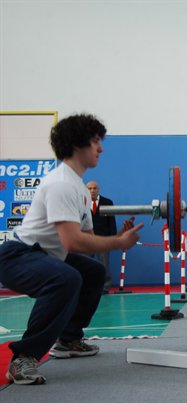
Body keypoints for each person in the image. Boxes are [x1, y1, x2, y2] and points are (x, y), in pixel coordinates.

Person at [0, 114, 143, 385]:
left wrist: (116, 236)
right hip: (17, 257)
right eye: (95, 141)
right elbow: (73, 243)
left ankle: (68, 339)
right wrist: (118, 242)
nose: (100, 148)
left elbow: (85, 243)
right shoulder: (61, 184)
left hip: (44, 256)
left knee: (92, 271)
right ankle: (23, 358)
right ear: (78, 145)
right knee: (65, 277)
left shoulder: (78, 188)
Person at [86, 181, 117, 293]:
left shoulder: (107, 202)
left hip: (102, 240)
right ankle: (86, 286)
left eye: (94, 188)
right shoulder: (81, 202)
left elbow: (112, 221)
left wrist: (113, 238)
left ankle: (105, 287)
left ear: (98, 189)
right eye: (89, 188)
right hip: (86, 240)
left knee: (104, 265)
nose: (92, 191)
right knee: (85, 265)